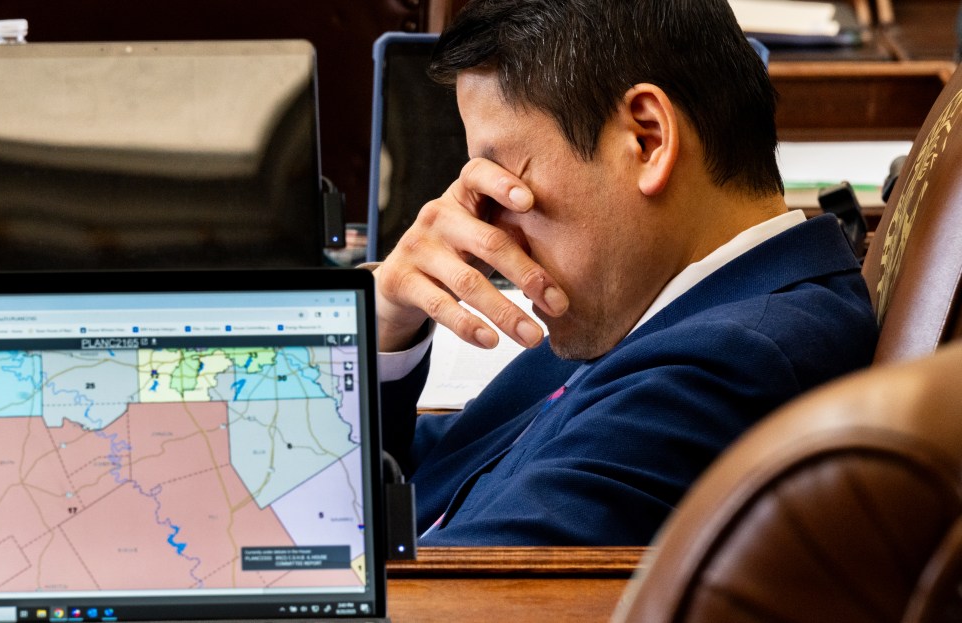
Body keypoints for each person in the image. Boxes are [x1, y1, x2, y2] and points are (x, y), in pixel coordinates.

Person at [374, 0, 878, 546]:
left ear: (647, 139)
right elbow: (444, 469)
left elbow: (456, 578)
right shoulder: (650, 301)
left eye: (502, 182)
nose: (484, 230)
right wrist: (380, 328)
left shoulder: (728, 367)